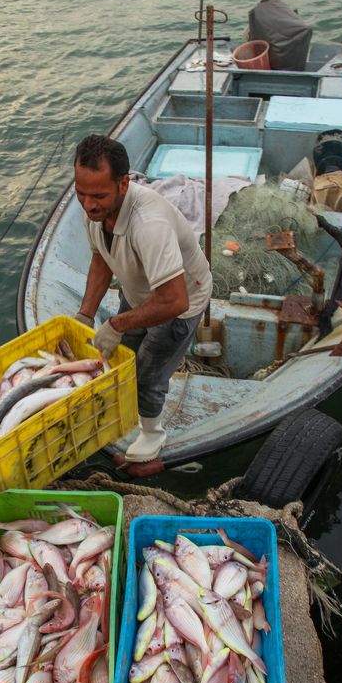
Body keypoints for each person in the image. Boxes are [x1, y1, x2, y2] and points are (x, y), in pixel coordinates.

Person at [73, 135, 213, 464]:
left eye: (98, 195)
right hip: (140, 290)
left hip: (181, 303)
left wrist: (117, 323)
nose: (89, 204)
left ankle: (153, 433)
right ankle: (123, 412)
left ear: (123, 184)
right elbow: (101, 259)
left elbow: (173, 301)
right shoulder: (93, 211)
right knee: (122, 355)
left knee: (149, 372)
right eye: (81, 193)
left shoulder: (148, 224)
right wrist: (85, 315)